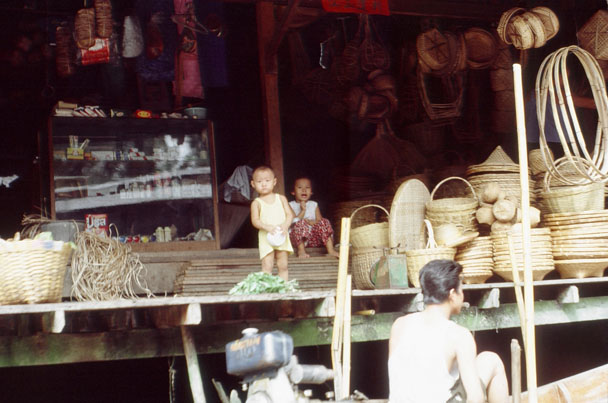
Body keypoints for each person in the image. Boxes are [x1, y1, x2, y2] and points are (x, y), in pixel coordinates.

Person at [388, 260, 509, 403]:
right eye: (461, 290)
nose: (463, 295)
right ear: (452, 294)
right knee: (492, 360)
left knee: (486, 358)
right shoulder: (459, 335)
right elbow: (476, 398)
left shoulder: (399, 325)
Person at [250, 166, 294, 281]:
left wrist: (285, 225)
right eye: (259, 182)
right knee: (267, 265)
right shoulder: (256, 203)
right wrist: (266, 227)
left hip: (281, 235)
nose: (264, 184)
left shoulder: (281, 198)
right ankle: (267, 291)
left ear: (274, 182)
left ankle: (283, 289)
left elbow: (290, 215)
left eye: (267, 181)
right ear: (253, 184)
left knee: (283, 265)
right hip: (266, 237)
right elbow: (255, 220)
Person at [289, 176, 339, 258]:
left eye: (307, 188)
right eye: (300, 187)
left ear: (311, 192)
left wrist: (313, 222)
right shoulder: (290, 205)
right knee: (299, 223)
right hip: (297, 240)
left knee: (324, 221)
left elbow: (319, 220)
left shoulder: (313, 204)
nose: (304, 190)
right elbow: (293, 222)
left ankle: (331, 250)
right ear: (293, 192)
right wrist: (303, 210)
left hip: (314, 239)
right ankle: (301, 251)